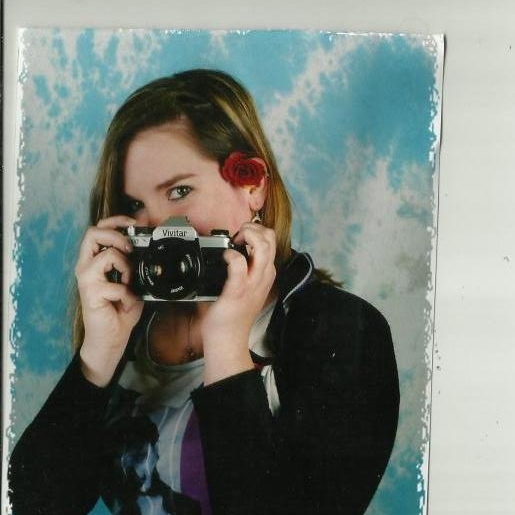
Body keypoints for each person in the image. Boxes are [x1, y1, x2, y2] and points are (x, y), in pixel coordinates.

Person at [9, 69, 399, 515]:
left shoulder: (344, 331)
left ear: (253, 185)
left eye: (179, 191)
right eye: (135, 204)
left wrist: (227, 344)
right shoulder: (131, 320)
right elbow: (28, 506)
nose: (158, 227)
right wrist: (98, 353)